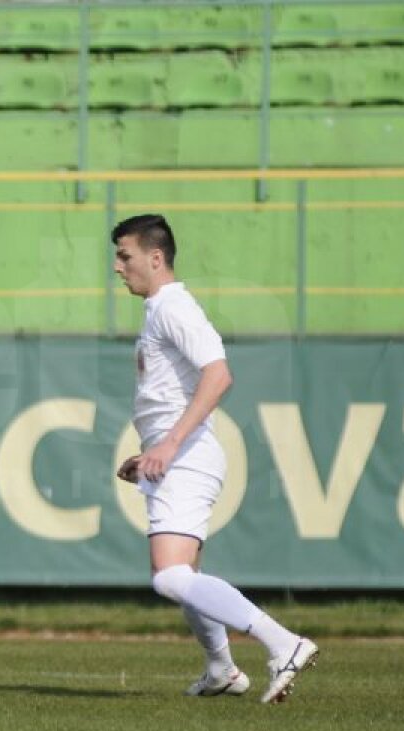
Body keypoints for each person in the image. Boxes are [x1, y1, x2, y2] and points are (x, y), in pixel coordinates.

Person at [112, 213, 318, 704]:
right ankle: (222, 669)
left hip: (185, 457)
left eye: (125, 256)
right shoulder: (158, 310)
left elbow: (218, 376)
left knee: (170, 576)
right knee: (187, 576)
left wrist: (169, 445)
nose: (118, 267)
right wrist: (151, 452)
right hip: (174, 455)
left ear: (155, 258)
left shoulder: (174, 307)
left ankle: (282, 643)